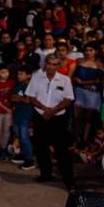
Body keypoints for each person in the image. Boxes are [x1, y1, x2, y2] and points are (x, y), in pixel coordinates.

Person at [26, 56, 76, 188]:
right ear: (45, 64)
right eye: (49, 64)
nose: (51, 67)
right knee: (41, 147)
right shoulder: (36, 78)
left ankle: (69, 180)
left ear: (58, 66)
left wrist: (53, 111)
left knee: (62, 150)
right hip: (40, 117)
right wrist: (44, 110)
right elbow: (31, 97)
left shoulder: (65, 80)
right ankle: (45, 174)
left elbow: (68, 99)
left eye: (55, 64)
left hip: (58, 118)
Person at [71, 42, 104, 148]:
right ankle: (76, 140)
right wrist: (76, 81)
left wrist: (84, 83)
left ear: (95, 51)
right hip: (79, 91)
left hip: (92, 93)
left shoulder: (99, 64)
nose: (88, 52)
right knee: (76, 117)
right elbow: (72, 75)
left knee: (88, 118)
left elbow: (100, 80)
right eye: (86, 50)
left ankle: (85, 141)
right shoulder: (79, 61)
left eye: (91, 50)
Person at [9, 66, 36, 170]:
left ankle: (30, 160)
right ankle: (23, 155)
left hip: (25, 115)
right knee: (19, 135)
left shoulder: (30, 86)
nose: (18, 76)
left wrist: (20, 98)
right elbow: (12, 97)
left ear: (29, 75)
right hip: (17, 113)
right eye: (18, 74)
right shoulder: (19, 85)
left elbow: (29, 100)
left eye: (21, 74)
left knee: (24, 137)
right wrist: (21, 98)